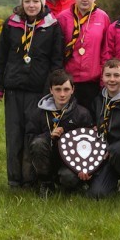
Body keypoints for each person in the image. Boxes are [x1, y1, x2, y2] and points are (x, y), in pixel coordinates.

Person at [0, 0, 63, 188]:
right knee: (14, 135)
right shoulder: (11, 24)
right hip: (13, 88)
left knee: (31, 134)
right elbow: (1, 58)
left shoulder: (52, 26)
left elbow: (56, 61)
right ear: (22, 3)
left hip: (37, 91)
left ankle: (30, 179)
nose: (31, 5)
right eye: (27, 1)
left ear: (42, 3)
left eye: (35, 1)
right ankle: (14, 180)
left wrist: (52, 89)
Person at [28, 69, 93, 198]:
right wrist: (49, 135)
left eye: (66, 89)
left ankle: (75, 184)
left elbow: (90, 144)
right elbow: (30, 138)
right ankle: (46, 183)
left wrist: (84, 167)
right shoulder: (38, 113)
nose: (62, 94)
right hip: (47, 159)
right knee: (38, 143)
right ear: (51, 90)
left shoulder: (82, 113)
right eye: (58, 89)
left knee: (68, 178)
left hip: (70, 163)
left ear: (73, 89)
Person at [57, 0, 110, 111]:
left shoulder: (103, 17)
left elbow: (105, 51)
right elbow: (56, 50)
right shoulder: (63, 18)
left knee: (90, 126)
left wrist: (103, 79)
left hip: (93, 82)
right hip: (68, 82)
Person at [86, 59, 120, 198]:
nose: (112, 80)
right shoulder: (98, 100)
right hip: (104, 152)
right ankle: (112, 181)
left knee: (117, 151)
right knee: (97, 194)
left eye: (116, 75)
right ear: (102, 77)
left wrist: (117, 147)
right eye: (108, 75)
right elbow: (93, 124)